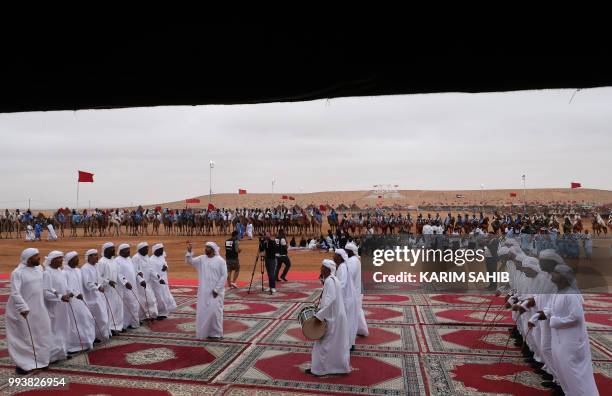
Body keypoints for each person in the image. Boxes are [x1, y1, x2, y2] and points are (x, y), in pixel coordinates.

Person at [545, 265, 599, 396]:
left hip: (572, 341)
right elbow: (553, 310)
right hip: (560, 339)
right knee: (563, 371)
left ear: (563, 278)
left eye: (556, 272)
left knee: (574, 374)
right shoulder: (557, 292)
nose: (552, 274)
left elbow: (576, 317)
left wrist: (556, 321)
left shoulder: (571, 294)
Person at [6, 248, 53, 374]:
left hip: (39, 308)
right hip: (23, 311)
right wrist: (23, 307)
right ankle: (24, 364)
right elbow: (15, 292)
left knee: (42, 334)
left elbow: (44, 287)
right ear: (28, 258)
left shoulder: (39, 269)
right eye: (36, 256)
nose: (39, 257)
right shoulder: (18, 272)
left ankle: (41, 361)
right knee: (25, 337)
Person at [306, 259, 350, 376]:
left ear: (327, 269)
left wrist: (318, 316)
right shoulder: (333, 279)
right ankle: (337, 368)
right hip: (336, 316)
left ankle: (319, 370)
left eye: (322, 267)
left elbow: (329, 301)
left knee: (323, 344)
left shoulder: (330, 281)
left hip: (332, 318)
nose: (320, 269)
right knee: (334, 344)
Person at [186, 241, 227, 340]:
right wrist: (189, 252)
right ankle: (205, 332)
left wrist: (217, 289)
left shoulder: (220, 261)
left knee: (215, 312)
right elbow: (190, 261)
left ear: (213, 250)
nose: (206, 249)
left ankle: (216, 334)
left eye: (208, 248)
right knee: (204, 312)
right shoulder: (201, 259)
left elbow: (224, 276)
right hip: (203, 291)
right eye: (206, 248)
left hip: (216, 292)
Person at [63, 251, 96, 352]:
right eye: (75, 258)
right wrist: (75, 295)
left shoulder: (78, 270)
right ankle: (76, 344)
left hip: (81, 300)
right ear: (70, 260)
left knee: (87, 318)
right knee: (75, 323)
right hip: (72, 302)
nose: (78, 260)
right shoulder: (64, 272)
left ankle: (88, 340)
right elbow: (66, 288)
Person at [41, 251, 69, 362]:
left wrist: (67, 294)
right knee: (53, 330)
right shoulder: (47, 273)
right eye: (59, 258)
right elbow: (46, 292)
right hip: (52, 307)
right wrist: (60, 297)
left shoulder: (60, 271)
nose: (62, 260)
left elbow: (64, 287)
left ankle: (61, 352)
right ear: (52, 260)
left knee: (63, 328)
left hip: (63, 306)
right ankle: (51, 356)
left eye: (62, 258)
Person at [80, 249, 110, 341]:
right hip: (91, 298)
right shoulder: (85, 268)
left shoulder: (96, 266)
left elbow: (99, 279)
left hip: (99, 296)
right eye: (94, 255)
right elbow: (88, 283)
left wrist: (107, 282)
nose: (97, 257)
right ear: (89, 257)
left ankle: (101, 335)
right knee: (96, 318)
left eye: (97, 255)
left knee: (103, 316)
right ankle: (96, 336)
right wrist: (98, 287)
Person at [97, 242, 124, 334]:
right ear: (106, 250)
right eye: (111, 248)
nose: (114, 250)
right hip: (106, 290)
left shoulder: (114, 261)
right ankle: (109, 328)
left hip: (115, 289)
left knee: (116, 308)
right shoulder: (101, 262)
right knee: (108, 309)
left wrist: (125, 282)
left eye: (114, 248)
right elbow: (98, 277)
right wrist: (108, 282)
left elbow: (119, 274)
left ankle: (116, 327)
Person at [334, 249, 358, 350]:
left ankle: (347, 345)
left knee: (346, 322)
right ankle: (348, 343)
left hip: (345, 299)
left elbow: (342, 284)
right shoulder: (341, 266)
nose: (333, 257)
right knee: (347, 322)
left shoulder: (342, 267)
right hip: (345, 298)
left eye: (335, 255)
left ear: (340, 257)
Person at [115, 244, 141, 329]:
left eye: (129, 249)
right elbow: (118, 274)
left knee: (135, 304)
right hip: (124, 287)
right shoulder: (117, 260)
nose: (129, 251)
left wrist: (138, 274)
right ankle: (124, 324)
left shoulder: (129, 259)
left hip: (133, 285)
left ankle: (133, 322)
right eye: (126, 250)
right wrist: (125, 282)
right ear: (121, 251)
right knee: (127, 306)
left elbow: (133, 270)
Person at [345, 242, 368, 337]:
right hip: (356, 289)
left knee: (355, 311)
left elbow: (348, 276)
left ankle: (356, 331)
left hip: (354, 290)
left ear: (350, 251)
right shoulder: (354, 260)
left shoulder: (353, 261)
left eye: (346, 250)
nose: (345, 252)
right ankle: (361, 329)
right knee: (357, 310)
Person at [132, 242, 159, 321]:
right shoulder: (136, 258)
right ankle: (145, 316)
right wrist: (141, 280)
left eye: (148, 248)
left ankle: (151, 315)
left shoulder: (147, 257)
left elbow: (150, 269)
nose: (147, 250)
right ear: (140, 249)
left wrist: (157, 276)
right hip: (140, 283)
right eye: (145, 248)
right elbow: (136, 270)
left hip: (148, 282)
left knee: (151, 299)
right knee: (144, 301)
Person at [149, 243, 177, 319]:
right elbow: (152, 272)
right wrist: (158, 279)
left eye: (162, 250)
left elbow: (165, 263)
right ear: (155, 250)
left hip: (164, 279)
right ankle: (158, 313)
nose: (162, 251)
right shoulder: (151, 260)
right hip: (156, 282)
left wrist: (166, 267)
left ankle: (164, 312)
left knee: (165, 295)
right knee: (159, 297)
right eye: (160, 250)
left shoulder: (161, 257)